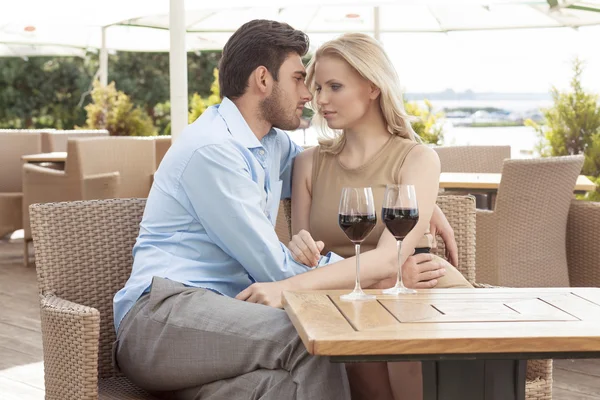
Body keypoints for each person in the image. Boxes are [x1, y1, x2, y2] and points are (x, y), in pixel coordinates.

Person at [113, 19, 459, 400]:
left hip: (224, 322)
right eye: (299, 79)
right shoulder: (214, 151)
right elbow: (274, 270)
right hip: (166, 316)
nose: (310, 95)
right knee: (316, 335)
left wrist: (421, 202)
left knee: (280, 389)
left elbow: (345, 169)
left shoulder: (268, 144)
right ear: (263, 80)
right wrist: (381, 276)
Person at [239, 33, 473, 400]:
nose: (320, 101)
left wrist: (287, 289)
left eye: (334, 87)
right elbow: (308, 261)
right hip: (350, 302)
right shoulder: (307, 163)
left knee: (394, 337)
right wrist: (298, 247)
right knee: (356, 339)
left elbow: (388, 259)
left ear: (372, 87)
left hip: (417, 292)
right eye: (317, 89)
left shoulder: (418, 159)